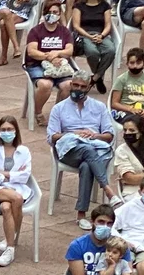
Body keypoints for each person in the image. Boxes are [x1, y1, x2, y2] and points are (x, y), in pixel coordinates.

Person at [50, 75, 118, 223]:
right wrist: (73, 134)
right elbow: (52, 137)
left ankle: (81, 214)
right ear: (71, 85)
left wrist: (94, 135)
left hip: (94, 146)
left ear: (88, 88)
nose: (78, 89)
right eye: (75, 85)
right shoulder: (59, 108)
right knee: (87, 150)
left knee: (87, 165)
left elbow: (109, 135)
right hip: (69, 151)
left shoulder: (99, 107)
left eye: (82, 86)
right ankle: (108, 189)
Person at [0, 116, 35, 266]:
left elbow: (25, 176)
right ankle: (13, 241)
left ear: (16, 131)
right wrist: (5, 177)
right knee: (17, 199)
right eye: (3, 129)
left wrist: (5, 173)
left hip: (16, 186)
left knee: (6, 207)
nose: (6, 132)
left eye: (9, 129)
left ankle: (9, 245)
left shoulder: (24, 151)